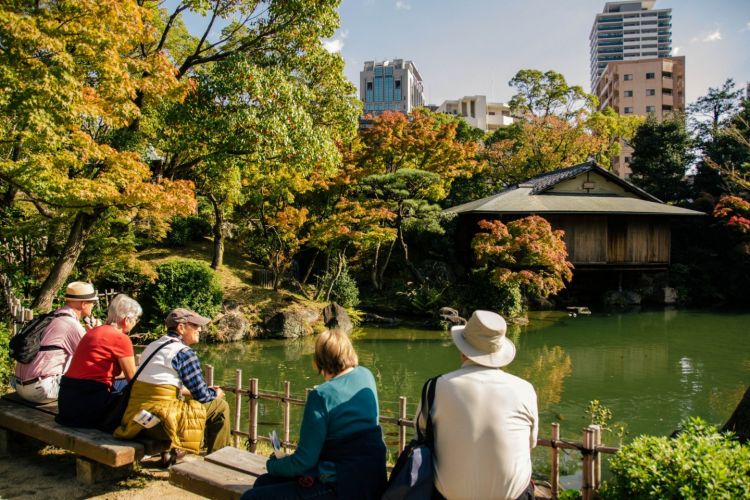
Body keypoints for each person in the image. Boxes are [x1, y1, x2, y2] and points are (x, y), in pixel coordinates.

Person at [242, 329, 387, 500]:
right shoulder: (366, 375)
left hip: (342, 486)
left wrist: (273, 464)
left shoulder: (321, 395)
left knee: (251, 497)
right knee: (264, 483)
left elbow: (304, 461)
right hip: (373, 479)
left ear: (319, 360)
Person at [418, 310, 538, 500]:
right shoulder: (525, 389)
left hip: (448, 496)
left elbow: (423, 432)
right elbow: (530, 443)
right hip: (514, 497)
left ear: (462, 349)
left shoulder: (435, 387)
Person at [114, 308, 230, 459]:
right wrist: (216, 393)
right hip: (158, 425)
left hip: (136, 421)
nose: (200, 329)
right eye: (195, 326)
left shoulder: (153, 346)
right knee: (220, 406)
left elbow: (161, 384)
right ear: (181, 328)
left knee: (186, 403)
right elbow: (203, 396)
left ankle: (177, 451)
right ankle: (219, 460)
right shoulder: (183, 353)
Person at [55, 294, 139, 428]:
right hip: (89, 408)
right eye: (136, 319)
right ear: (126, 319)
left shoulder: (93, 332)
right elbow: (133, 379)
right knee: (136, 389)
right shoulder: (121, 339)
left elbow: (97, 371)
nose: (136, 323)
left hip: (67, 404)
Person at [10, 281, 99, 404]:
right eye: (92, 302)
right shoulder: (71, 325)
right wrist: (95, 333)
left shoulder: (52, 316)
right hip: (41, 391)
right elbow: (93, 358)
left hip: (19, 385)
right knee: (95, 383)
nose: (93, 305)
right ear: (84, 304)